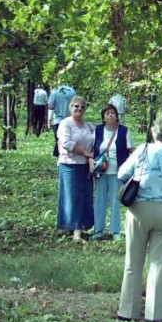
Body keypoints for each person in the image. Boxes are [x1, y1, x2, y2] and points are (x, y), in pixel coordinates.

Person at [117, 113, 162, 322]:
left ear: (154, 130)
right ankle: (155, 314)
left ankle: (127, 311)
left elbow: (122, 173)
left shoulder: (143, 149)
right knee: (158, 263)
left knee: (133, 261)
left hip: (139, 209)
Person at [90, 104, 134, 241]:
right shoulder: (97, 131)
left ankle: (116, 231)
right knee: (99, 201)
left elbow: (131, 151)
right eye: (107, 113)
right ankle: (98, 230)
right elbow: (91, 149)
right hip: (101, 172)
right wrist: (91, 161)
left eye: (113, 113)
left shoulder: (124, 131)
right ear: (103, 117)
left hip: (117, 172)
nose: (110, 115)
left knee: (116, 201)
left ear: (117, 116)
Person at [57, 96, 94, 242]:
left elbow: (95, 143)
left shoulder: (89, 126)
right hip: (69, 164)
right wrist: (84, 152)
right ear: (70, 107)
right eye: (76, 106)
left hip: (85, 166)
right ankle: (73, 230)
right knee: (71, 197)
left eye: (82, 107)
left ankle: (80, 228)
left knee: (84, 198)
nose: (79, 109)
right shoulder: (65, 123)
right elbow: (66, 142)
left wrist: (90, 157)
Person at [48, 84, 76, 157]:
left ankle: (59, 155)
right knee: (69, 138)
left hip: (58, 120)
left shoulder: (55, 92)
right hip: (71, 120)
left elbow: (50, 106)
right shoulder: (72, 92)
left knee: (59, 139)